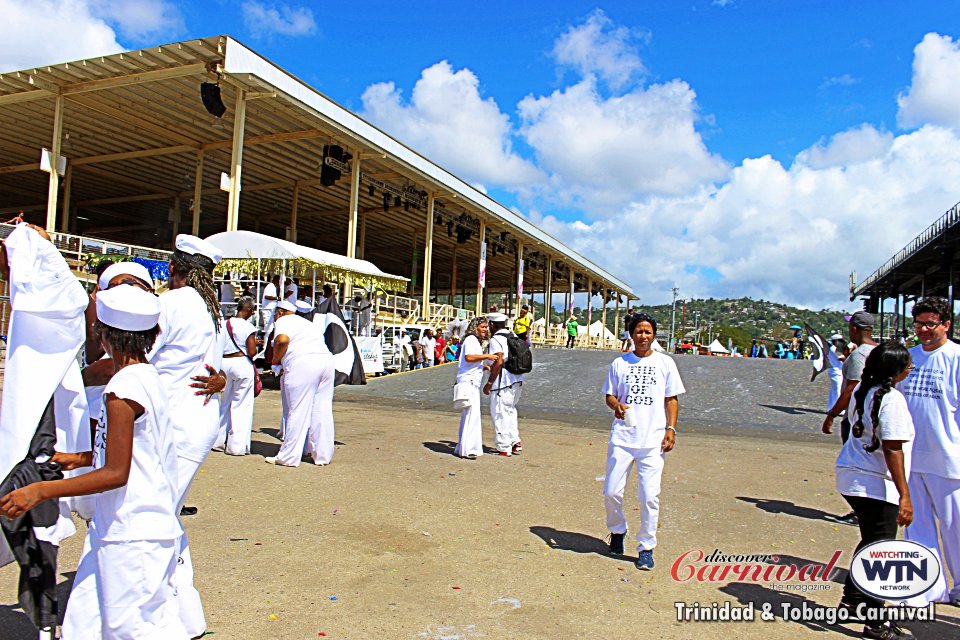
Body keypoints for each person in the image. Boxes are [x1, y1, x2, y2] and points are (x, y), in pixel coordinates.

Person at [2, 284, 188, 639]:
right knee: (84, 623)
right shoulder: (148, 377)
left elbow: (116, 473)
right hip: (127, 527)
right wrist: (78, 458)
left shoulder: (123, 390)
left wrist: (41, 490)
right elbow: (137, 452)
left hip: (133, 533)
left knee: (131, 631)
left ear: (104, 337)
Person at [835, 341, 915, 639]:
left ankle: (853, 601)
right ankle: (876, 622)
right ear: (896, 372)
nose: (910, 370)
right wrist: (904, 494)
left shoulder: (862, 391)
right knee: (880, 552)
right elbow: (893, 449)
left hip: (852, 476)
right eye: (908, 366)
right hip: (874, 483)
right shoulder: (891, 400)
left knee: (870, 543)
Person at [602, 313, 685, 571]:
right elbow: (609, 395)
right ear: (630, 333)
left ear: (654, 335)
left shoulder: (665, 363)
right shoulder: (620, 363)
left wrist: (671, 428)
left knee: (649, 496)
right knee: (612, 491)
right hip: (624, 438)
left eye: (648, 332)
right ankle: (617, 531)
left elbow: (671, 399)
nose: (643, 336)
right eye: (639, 331)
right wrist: (616, 405)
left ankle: (646, 547)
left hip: (653, 441)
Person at [899, 297, 960, 607]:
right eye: (919, 324)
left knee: (956, 528)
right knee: (917, 528)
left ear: (946, 325)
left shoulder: (956, 358)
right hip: (911, 458)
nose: (923, 330)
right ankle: (926, 588)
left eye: (930, 324)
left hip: (949, 458)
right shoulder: (908, 359)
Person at [267, 301, 335, 467]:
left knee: (297, 410)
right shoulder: (308, 324)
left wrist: (275, 360)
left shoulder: (282, 321)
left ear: (279, 312)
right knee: (322, 409)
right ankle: (322, 455)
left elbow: (282, 341)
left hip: (303, 363)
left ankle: (289, 456)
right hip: (326, 361)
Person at [214, 296, 258, 456]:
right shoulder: (248, 327)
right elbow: (252, 351)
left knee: (224, 403)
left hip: (224, 364)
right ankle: (236, 446)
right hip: (240, 363)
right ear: (247, 310)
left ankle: (217, 441)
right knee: (241, 405)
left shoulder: (225, 324)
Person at [455, 317, 500, 459]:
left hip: (472, 380)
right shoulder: (471, 340)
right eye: (482, 327)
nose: (485, 329)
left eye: (486, 327)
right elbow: (469, 357)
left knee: (471, 415)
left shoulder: (473, 341)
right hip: (469, 381)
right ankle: (468, 449)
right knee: (471, 414)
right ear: (475, 328)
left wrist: (483, 366)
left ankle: (466, 447)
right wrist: (487, 356)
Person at [483, 313, 523, 456]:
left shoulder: (496, 340)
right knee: (510, 411)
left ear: (492, 325)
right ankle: (514, 442)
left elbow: (499, 361)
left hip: (503, 382)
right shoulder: (513, 336)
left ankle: (503, 447)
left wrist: (489, 383)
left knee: (500, 413)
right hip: (517, 379)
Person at [827, 333, 846, 411]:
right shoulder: (835, 349)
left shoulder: (834, 348)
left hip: (835, 371)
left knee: (833, 391)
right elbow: (842, 358)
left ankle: (830, 408)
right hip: (836, 371)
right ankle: (838, 409)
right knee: (838, 390)